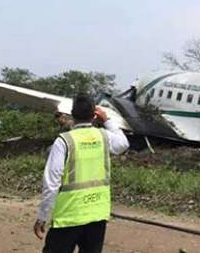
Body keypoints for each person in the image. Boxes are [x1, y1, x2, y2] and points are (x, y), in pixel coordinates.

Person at [34, 93, 129, 253]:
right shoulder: (103, 136)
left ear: (73, 114)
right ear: (94, 115)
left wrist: (43, 216)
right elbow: (123, 143)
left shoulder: (64, 141)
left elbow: (51, 183)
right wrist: (107, 120)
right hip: (96, 215)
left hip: (68, 216)